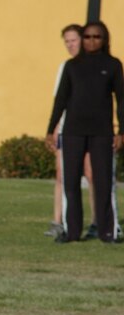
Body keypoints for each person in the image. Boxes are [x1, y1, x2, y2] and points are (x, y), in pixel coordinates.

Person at [46, 20, 124, 243]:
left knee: (103, 181)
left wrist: (121, 131)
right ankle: (71, 232)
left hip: (102, 132)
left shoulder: (113, 65)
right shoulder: (72, 66)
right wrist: (50, 130)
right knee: (70, 182)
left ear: (104, 39)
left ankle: (107, 232)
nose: (91, 41)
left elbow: (122, 100)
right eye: (87, 37)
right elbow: (60, 100)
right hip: (73, 132)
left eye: (96, 37)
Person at [47, 24, 98, 239]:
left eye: (73, 40)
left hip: (91, 128)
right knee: (63, 175)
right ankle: (58, 221)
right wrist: (55, 128)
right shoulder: (66, 67)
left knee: (92, 174)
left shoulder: (96, 65)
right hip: (68, 129)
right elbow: (60, 100)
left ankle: (98, 221)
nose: (70, 45)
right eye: (66, 41)